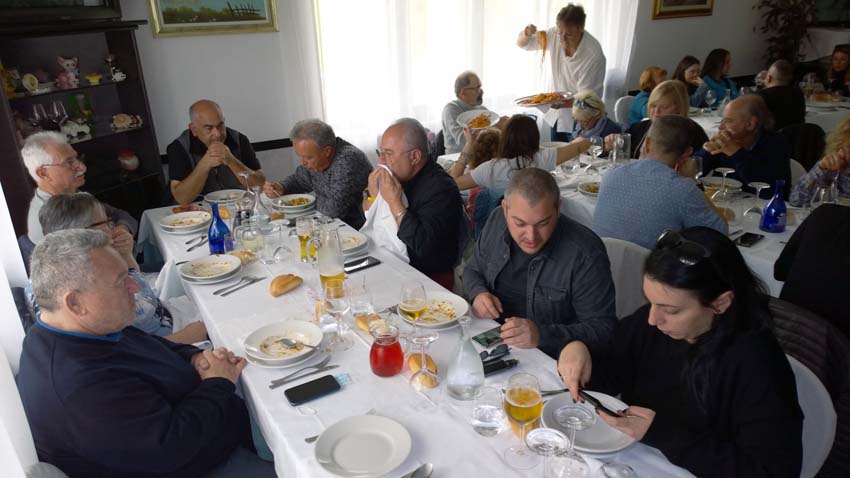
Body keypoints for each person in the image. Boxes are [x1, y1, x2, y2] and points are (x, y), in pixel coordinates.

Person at [17, 229, 275, 477]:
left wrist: (194, 357)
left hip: (213, 417)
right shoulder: (77, 385)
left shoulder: (81, 328)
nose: (134, 287)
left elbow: (152, 346)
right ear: (75, 302)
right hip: (208, 463)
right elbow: (172, 448)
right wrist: (217, 383)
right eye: (120, 282)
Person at [558, 227, 803, 478]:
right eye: (651, 302)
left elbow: (773, 470)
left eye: (671, 310)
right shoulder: (653, 326)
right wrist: (580, 351)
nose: (653, 319)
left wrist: (662, 433)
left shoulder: (758, 365)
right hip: (641, 459)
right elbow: (612, 371)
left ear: (720, 303)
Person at [463, 168, 616, 358]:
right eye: (520, 223)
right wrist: (478, 292)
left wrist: (542, 335)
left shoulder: (585, 252)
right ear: (505, 209)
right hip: (492, 341)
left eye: (543, 223)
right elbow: (472, 270)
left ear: (558, 209)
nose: (531, 236)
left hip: (551, 357)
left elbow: (603, 329)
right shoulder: (496, 220)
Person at [37, 192, 207, 344]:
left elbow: (139, 285)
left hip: (168, 314)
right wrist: (188, 336)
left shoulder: (91, 263)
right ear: (84, 232)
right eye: (106, 223)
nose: (113, 227)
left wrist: (125, 254)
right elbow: (136, 352)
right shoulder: (92, 289)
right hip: (173, 339)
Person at [593, 116, 727, 249]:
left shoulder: (611, 174)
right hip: (648, 262)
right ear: (687, 153)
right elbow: (720, 233)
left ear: (647, 143)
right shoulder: (684, 190)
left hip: (601, 258)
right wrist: (693, 182)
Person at [366, 118, 463, 289]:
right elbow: (372, 224)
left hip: (430, 280)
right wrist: (374, 198)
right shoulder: (401, 177)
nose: (381, 161)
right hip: (394, 265)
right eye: (380, 152)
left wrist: (395, 203)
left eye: (388, 153)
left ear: (414, 157)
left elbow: (422, 246)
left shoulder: (441, 189)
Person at [21, 131, 137, 244]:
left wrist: (123, 228)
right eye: (68, 162)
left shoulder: (72, 195)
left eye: (77, 158)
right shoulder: (53, 219)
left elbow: (122, 215)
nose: (82, 167)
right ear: (43, 173)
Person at [517, 4, 606, 141]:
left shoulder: (593, 55)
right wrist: (526, 33)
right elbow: (523, 44)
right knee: (557, 152)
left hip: (582, 119)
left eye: (569, 35)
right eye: (560, 33)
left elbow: (587, 99)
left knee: (577, 153)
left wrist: (549, 102)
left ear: (581, 29)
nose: (562, 39)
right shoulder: (554, 34)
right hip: (557, 115)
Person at [263, 119, 372, 228]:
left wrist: (306, 203)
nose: (303, 162)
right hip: (329, 224)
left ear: (327, 151)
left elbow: (334, 210)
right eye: (300, 156)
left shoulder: (347, 159)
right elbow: (299, 180)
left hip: (357, 229)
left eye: (308, 157)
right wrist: (282, 187)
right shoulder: (317, 160)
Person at [453, 114, 588, 193]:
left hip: (502, 220)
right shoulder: (542, 158)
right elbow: (580, 145)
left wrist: (468, 144)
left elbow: (453, 183)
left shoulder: (490, 168)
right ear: (536, 138)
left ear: (504, 137)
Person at [167, 99, 265, 205]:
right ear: (194, 129)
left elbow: (259, 186)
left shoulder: (239, 140)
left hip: (238, 206)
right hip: (197, 210)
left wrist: (232, 161)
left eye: (220, 125)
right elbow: (182, 199)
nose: (217, 134)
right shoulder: (179, 147)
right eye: (209, 128)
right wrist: (204, 164)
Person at [774, 203, 850, 336]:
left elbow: (781, 271)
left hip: (784, 327)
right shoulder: (824, 213)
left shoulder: (824, 212)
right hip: (828, 341)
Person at [697, 95, 791, 198]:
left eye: (729, 121)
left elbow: (767, 191)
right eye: (722, 120)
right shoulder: (725, 141)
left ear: (750, 124)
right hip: (725, 201)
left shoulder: (775, 144)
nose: (721, 127)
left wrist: (736, 153)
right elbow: (693, 174)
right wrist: (706, 151)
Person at [608, 80, 708, 159]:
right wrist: (612, 146)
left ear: (679, 108)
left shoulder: (693, 134)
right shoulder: (639, 128)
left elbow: (700, 166)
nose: (656, 111)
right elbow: (623, 156)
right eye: (653, 106)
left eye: (664, 107)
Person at [789, 116, 850, 206]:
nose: (843, 152)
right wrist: (820, 169)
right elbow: (796, 200)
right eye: (847, 147)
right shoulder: (834, 166)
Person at [442, 71, 498, 154]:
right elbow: (463, 142)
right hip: (457, 158)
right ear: (463, 92)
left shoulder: (482, 109)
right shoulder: (451, 109)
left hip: (480, 156)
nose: (481, 91)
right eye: (477, 88)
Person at [758, 59, 806, 130]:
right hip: (798, 136)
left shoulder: (760, 96)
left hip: (772, 137)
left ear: (769, 78)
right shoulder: (798, 94)